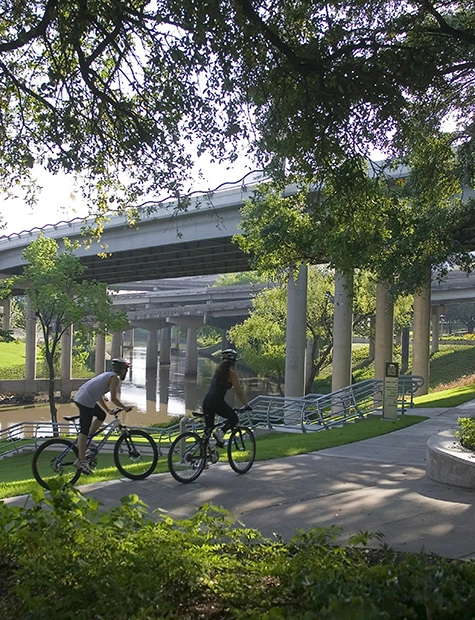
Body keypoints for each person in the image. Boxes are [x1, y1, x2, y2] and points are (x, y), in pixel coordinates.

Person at [72, 357, 133, 475]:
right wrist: (125, 407)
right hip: (85, 400)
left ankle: (88, 440)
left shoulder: (108, 375)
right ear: (121, 370)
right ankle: (81, 460)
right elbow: (114, 399)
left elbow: (99, 395)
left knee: (101, 415)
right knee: (84, 430)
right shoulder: (114, 378)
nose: (126, 372)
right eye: (126, 370)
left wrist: (108, 410)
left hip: (83, 396)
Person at [202, 349, 252, 447]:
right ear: (233, 362)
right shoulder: (231, 374)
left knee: (208, 429)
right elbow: (239, 392)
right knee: (234, 418)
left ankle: (204, 452)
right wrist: (246, 405)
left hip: (207, 401)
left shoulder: (217, 372)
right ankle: (220, 433)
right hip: (216, 401)